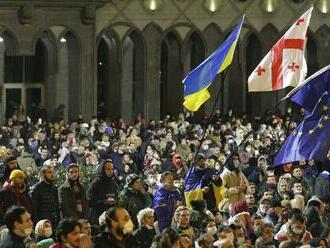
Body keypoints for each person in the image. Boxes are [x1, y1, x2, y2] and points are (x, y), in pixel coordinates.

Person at [86, 159, 119, 223]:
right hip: (97, 216)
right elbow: (89, 200)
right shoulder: (96, 183)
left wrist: (115, 201)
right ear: (102, 169)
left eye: (112, 169)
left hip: (111, 216)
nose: (111, 171)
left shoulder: (113, 182)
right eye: (108, 169)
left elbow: (117, 197)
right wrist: (104, 202)